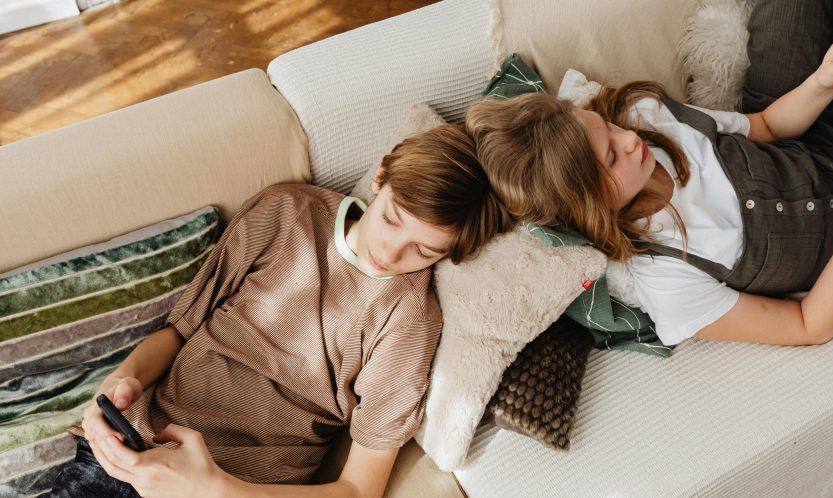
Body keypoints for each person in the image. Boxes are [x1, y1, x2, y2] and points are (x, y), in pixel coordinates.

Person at [44, 124, 509, 498]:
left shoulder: (409, 321)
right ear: (381, 177)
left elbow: (359, 489)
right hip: (128, 450)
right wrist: (116, 385)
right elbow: (179, 332)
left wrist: (215, 489)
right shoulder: (285, 212)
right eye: (391, 218)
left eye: (423, 251)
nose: (391, 252)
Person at [466, 0, 833, 347]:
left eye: (608, 128)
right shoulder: (667, 277)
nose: (629, 140)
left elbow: (767, 126)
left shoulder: (645, 117)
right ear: (585, 206)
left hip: (801, 139)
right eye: (612, 157)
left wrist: (822, 82)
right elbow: (810, 325)